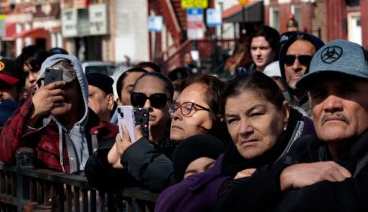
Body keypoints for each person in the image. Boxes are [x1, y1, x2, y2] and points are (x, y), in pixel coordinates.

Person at [214, 39, 368, 211]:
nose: (331, 104)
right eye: (320, 93)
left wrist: (266, 191)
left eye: (347, 90)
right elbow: (225, 203)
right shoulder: (304, 149)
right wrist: (283, 177)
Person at [155, 72, 313, 212]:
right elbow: (169, 201)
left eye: (255, 114)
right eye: (233, 120)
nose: (244, 129)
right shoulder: (231, 157)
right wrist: (227, 186)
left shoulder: (311, 153)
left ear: (284, 112)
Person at [0, 54, 118, 173]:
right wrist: (32, 112)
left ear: (81, 90)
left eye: (66, 85)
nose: (58, 92)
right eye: (50, 85)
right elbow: (5, 154)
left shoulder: (108, 132)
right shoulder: (36, 134)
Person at [85, 72, 174, 191]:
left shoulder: (179, 144)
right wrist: (107, 161)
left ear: (171, 104)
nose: (147, 106)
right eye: (139, 99)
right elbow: (94, 175)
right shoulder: (121, 140)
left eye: (158, 99)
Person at [277, 31, 324, 116]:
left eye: (305, 60)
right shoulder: (275, 104)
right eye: (289, 60)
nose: (295, 66)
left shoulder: (327, 106)